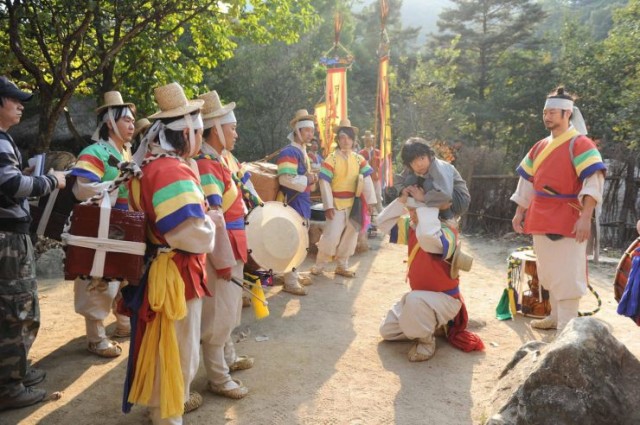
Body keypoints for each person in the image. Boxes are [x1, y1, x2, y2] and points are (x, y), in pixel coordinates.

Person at [122, 82, 216, 425]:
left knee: (164, 342)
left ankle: (161, 408)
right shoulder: (171, 170)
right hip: (176, 272)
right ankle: (168, 414)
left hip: (159, 267)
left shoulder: (148, 165)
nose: (200, 138)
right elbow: (189, 234)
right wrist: (212, 225)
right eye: (199, 131)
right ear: (186, 133)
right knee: (179, 348)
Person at [511, 86, 606, 331]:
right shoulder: (540, 146)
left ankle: (567, 327)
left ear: (567, 114)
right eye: (546, 112)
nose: (548, 116)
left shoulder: (581, 144)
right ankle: (555, 317)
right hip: (541, 214)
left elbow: (593, 181)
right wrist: (520, 212)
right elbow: (527, 181)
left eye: (554, 112)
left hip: (568, 215)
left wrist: (585, 217)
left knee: (567, 273)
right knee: (548, 270)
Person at [0, 76, 67, 411]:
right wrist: (49, 180)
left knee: (13, 307)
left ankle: (17, 372)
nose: (20, 105)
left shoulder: (4, 141)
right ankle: (9, 386)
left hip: (10, 236)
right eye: (13, 99)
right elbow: (12, 185)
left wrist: (27, 174)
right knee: (17, 309)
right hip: (7, 240)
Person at [193, 90, 253, 402]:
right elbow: (214, 216)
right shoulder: (206, 164)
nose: (235, 133)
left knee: (228, 310)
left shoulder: (219, 159)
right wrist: (224, 259)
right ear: (216, 130)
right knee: (218, 315)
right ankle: (219, 376)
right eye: (231, 128)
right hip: (222, 246)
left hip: (232, 242)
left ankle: (228, 358)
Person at [376, 187, 484, 361]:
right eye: (410, 209)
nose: (411, 213)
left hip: (445, 300)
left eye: (415, 209)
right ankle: (432, 325)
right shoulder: (414, 227)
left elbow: (428, 239)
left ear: (430, 209)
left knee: (414, 300)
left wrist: (426, 204)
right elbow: (382, 224)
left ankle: (426, 341)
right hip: (421, 300)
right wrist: (401, 201)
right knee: (387, 330)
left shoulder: (447, 232)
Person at [68, 91, 135, 358]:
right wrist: (117, 184)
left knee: (124, 275)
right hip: (101, 224)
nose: (132, 125)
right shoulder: (93, 152)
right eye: (127, 120)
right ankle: (96, 337)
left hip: (124, 223)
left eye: (133, 121)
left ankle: (123, 323)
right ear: (110, 122)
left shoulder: (125, 153)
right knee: (97, 278)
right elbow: (82, 189)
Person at [311, 119, 377, 277]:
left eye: (348, 137)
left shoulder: (360, 159)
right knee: (331, 235)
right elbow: (324, 182)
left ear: (353, 140)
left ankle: (342, 265)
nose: (345, 140)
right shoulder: (331, 159)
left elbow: (366, 180)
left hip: (355, 204)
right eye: (342, 137)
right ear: (338, 140)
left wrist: (371, 202)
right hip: (336, 203)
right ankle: (320, 264)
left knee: (351, 235)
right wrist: (328, 206)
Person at [275, 109, 318, 294]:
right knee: (294, 241)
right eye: (306, 130)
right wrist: (308, 180)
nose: (310, 134)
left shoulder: (301, 151)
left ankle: (293, 274)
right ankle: (290, 281)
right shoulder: (290, 151)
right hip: (292, 202)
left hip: (302, 201)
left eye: (311, 130)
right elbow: (285, 179)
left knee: (300, 240)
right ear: (297, 132)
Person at [399, 137, 470, 227]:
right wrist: (402, 191)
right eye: (413, 162)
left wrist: (423, 198)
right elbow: (399, 180)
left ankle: (448, 217)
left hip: (458, 199)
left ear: (430, 155)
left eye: (422, 158)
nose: (419, 164)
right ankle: (417, 215)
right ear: (409, 164)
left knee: (428, 184)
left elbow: (445, 193)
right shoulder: (411, 169)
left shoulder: (438, 167)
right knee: (409, 180)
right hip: (437, 196)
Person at [359, 130, 383, 214]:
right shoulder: (361, 153)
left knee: (378, 196)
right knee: (368, 198)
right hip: (367, 178)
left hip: (376, 177)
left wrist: (376, 160)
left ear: (372, 141)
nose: (368, 142)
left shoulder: (378, 152)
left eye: (369, 140)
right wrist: (369, 161)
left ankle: (381, 215)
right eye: (366, 140)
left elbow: (381, 165)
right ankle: (369, 218)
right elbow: (361, 165)